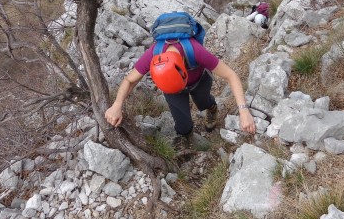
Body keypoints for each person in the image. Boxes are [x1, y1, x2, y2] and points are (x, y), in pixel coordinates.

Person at [105, 36, 256, 144]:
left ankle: (211, 108)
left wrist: (243, 111)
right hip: (171, 90)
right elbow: (129, 80)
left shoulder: (195, 51)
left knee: (203, 102)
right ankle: (187, 139)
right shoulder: (153, 54)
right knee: (183, 126)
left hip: (198, 81)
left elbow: (231, 75)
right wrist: (117, 105)